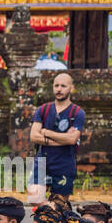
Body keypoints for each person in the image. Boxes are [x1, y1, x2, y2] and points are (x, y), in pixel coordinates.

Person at [28, 72, 84, 204]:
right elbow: (34, 136)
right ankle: (50, 211)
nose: (59, 89)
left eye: (63, 86)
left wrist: (46, 132)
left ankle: (55, 215)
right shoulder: (43, 109)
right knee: (34, 199)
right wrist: (61, 139)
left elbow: (72, 140)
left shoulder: (77, 113)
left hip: (64, 163)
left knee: (60, 203)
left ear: (71, 88)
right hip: (42, 160)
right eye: (56, 85)